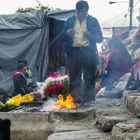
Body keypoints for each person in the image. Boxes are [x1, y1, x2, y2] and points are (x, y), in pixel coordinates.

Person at [62, 0, 103, 106]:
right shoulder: (70, 21)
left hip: (88, 52)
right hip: (74, 52)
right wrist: (67, 34)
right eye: (79, 12)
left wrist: (91, 36)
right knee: (74, 76)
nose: (81, 14)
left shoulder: (93, 21)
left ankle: (89, 100)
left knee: (89, 76)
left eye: (83, 12)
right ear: (76, 11)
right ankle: (75, 100)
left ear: (87, 11)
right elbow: (61, 37)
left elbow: (100, 39)